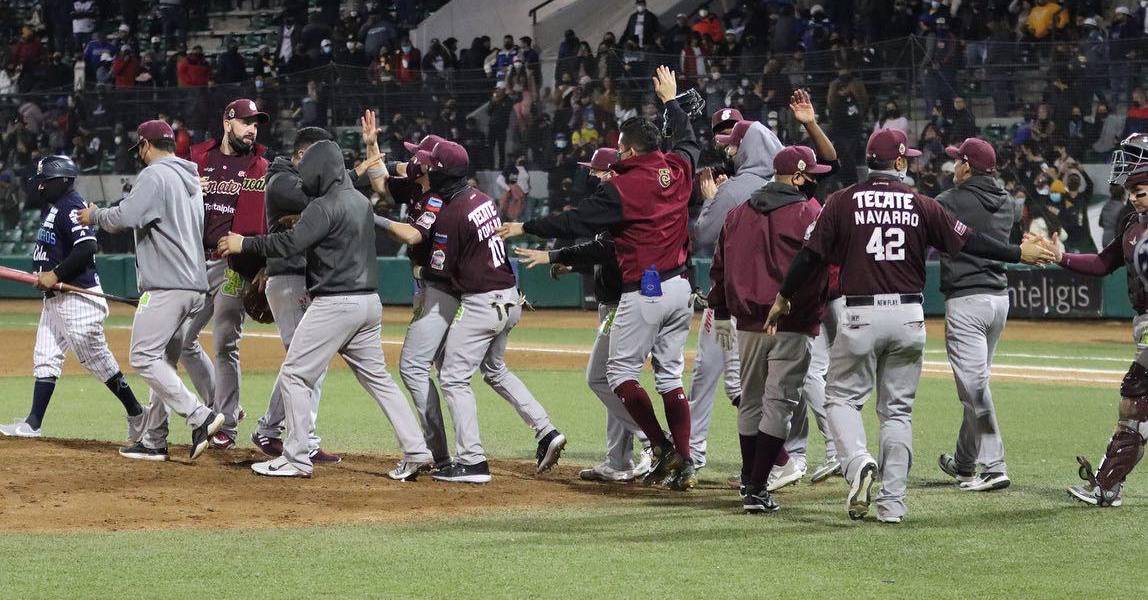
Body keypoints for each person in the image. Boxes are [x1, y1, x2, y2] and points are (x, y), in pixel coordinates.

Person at [765, 128, 1054, 523]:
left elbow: (809, 257)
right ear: (900, 162)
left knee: (841, 399)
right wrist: (1016, 252)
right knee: (897, 413)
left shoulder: (842, 201)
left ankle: (858, 463)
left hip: (861, 314)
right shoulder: (921, 204)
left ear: (871, 161)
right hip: (909, 317)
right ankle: (892, 505)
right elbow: (970, 241)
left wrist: (784, 297)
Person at [500, 66, 700, 490]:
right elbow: (688, 141)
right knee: (668, 378)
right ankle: (684, 459)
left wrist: (527, 226)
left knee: (619, 375)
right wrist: (672, 101)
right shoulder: (678, 170)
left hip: (645, 290)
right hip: (682, 287)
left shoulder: (623, 189)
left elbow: (575, 221)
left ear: (626, 151)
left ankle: (661, 446)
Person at [217, 139, 433, 479]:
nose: (304, 178)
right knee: (380, 380)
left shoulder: (323, 205)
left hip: (335, 303)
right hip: (369, 305)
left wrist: (244, 243)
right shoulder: (360, 201)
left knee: (294, 374)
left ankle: (297, 456)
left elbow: (289, 243)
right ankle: (417, 450)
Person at [378, 141, 567, 483]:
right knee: (494, 371)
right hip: (509, 297)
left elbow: (438, 271)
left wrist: (420, 273)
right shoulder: (480, 198)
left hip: (484, 302)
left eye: (432, 166)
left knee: (452, 377)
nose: (426, 169)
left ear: (441, 173)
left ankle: (473, 461)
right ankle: (546, 430)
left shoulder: (452, 214)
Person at [78, 120, 223, 462]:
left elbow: (125, 216)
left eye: (139, 149)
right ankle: (155, 440)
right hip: (193, 284)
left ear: (145, 145)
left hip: (167, 284)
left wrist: (94, 215)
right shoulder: (189, 178)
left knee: (143, 357)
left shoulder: (155, 175)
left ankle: (200, 417)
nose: (139, 155)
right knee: (164, 363)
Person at [515, 148, 653, 482]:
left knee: (601, 377)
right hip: (620, 302)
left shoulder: (618, 204)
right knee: (614, 380)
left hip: (627, 305)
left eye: (594, 170)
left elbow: (605, 249)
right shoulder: (615, 204)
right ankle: (619, 461)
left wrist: (555, 255)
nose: (590, 175)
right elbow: (606, 257)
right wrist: (571, 265)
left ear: (610, 172)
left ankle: (652, 438)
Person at [709, 145, 833, 513]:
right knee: (778, 404)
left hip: (746, 323)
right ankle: (757, 489)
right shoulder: (809, 212)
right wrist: (812, 311)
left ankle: (751, 479)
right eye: (810, 174)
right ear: (795, 176)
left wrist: (719, 309)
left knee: (751, 401)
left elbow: (719, 267)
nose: (814, 181)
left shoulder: (737, 213)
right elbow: (819, 269)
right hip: (791, 323)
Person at [0, 156, 143, 440]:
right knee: (45, 356)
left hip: (77, 298)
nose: (39, 187)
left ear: (61, 181)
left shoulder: (71, 206)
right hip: (56, 300)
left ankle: (138, 413)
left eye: (44, 182)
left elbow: (87, 246)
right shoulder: (55, 207)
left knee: (97, 360)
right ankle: (33, 423)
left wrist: (54, 274)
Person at [688, 107, 783, 473]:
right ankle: (801, 456)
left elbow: (704, 235)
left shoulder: (733, 190)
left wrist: (715, 197)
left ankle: (771, 461)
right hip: (772, 300)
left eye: (733, 133)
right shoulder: (784, 184)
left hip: (728, 304)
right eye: (722, 132)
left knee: (730, 380)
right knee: (781, 382)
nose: (727, 140)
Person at [1058, 133, 1148, 507]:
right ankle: (1107, 484)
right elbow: (1100, 263)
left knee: (1134, 398)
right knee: (1135, 405)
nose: (1133, 194)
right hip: (1142, 320)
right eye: (1132, 190)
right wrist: (1058, 256)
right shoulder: (1133, 222)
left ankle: (1107, 486)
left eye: (1141, 188)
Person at [180, 99, 270, 449]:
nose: (252, 129)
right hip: (193, 262)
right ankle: (220, 407)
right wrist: (190, 192)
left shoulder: (260, 166)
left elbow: (263, 221)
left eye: (256, 124)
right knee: (182, 340)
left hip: (233, 266)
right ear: (227, 122)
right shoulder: (197, 160)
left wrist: (261, 262)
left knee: (225, 345)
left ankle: (226, 426)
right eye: (246, 122)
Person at [248, 126, 341, 464]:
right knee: (308, 363)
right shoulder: (283, 180)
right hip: (288, 279)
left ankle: (269, 428)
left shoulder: (298, 181)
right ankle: (305, 440)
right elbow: (329, 200)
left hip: (298, 278)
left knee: (301, 362)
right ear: (303, 155)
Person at [935, 138, 1016, 493]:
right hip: (999, 299)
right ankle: (965, 463)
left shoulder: (949, 200)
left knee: (974, 390)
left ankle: (994, 465)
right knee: (976, 386)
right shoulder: (1008, 201)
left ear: (968, 166)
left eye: (958, 162)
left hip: (967, 301)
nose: (955, 167)